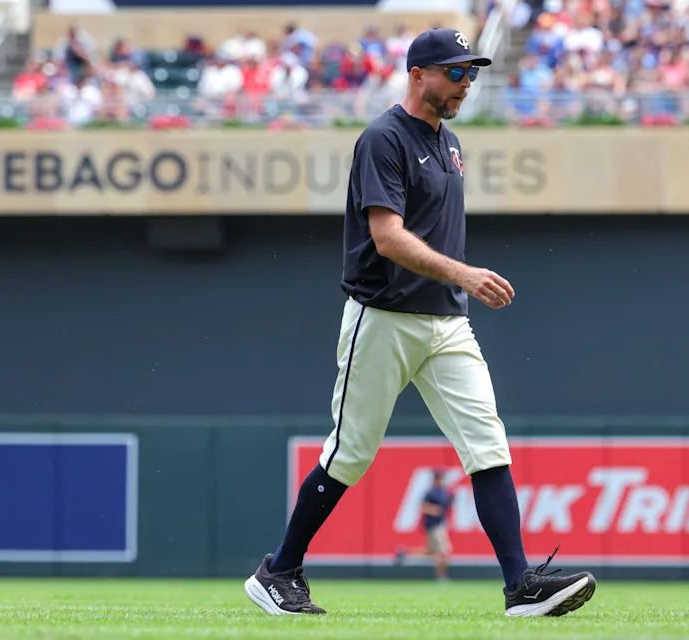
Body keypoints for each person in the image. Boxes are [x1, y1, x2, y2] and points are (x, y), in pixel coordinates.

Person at [244, 27, 597, 618]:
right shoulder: (384, 137)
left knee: (488, 443)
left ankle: (520, 585)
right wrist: (463, 274)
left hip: (446, 323)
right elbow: (386, 238)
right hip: (381, 317)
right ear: (418, 75)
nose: (465, 83)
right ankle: (278, 569)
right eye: (455, 72)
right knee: (350, 454)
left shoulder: (451, 141)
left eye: (472, 73)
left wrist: (455, 285)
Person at [395, 469, 454, 581]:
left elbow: (447, 506)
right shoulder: (431, 492)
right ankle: (441, 577)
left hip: (439, 524)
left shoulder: (444, 491)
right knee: (443, 551)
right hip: (433, 525)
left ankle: (404, 552)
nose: (440, 479)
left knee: (431, 551)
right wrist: (434, 510)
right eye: (438, 477)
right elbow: (422, 507)